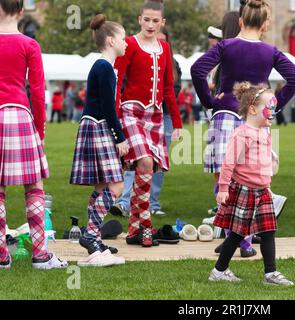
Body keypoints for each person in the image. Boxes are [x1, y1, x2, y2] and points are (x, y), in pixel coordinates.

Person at [193, 0, 295, 257]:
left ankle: (236, 238)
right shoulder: (270, 51)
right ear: (265, 25)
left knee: (223, 178)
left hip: (226, 113)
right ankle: (241, 238)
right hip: (255, 118)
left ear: (240, 22)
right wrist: (273, 107)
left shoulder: (226, 46)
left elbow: (198, 70)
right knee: (250, 180)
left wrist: (210, 102)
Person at [0, 0, 67, 270]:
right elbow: (38, 92)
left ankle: (1, 256)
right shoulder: (30, 45)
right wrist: (40, 129)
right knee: (35, 187)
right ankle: (40, 254)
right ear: (21, 11)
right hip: (20, 114)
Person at [209, 82, 294, 286]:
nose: (273, 111)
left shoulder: (264, 133)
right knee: (238, 233)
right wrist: (222, 188)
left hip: (262, 191)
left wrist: (268, 185)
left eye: (274, 107)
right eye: (269, 107)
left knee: (268, 231)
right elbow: (228, 162)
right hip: (244, 191)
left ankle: (270, 273)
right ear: (253, 109)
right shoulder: (243, 133)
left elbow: (263, 164)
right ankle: (219, 271)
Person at [114, 0, 182, 247]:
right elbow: (117, 80)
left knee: (148, 169)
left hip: (154, 116)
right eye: (147, 19)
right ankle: (146, 226)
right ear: (139, 19)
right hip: (131, 111)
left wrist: (177, 122)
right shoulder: (130, 44)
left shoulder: (164, 48)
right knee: (144, 161)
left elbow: (167, 89)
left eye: (156, 20)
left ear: (162, 22)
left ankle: (133, 230)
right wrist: (114, 120)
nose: (151, 24)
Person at [70, 14, 129, 267]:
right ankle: (91, 236)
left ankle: (93, 237)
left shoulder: (103, 66)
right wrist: (120, 138)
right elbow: (108, 107)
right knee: (116, 186)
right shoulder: (105, 67)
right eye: (124, 39)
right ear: (112, 40)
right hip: (99, 126)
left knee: (101, 187)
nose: (126, 43)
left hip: (92, 125)